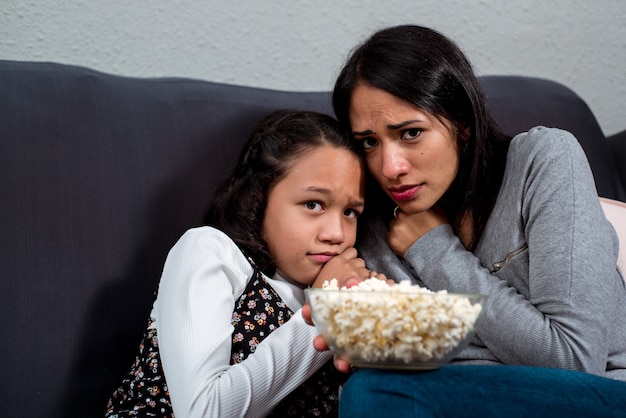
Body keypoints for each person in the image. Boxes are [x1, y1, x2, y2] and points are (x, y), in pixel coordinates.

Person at [304, 24, 626, 416]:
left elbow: (573, 360)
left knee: (377, 392)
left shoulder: (542, 161)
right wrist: (338, 301)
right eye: (369, 142)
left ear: (463, 124)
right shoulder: (371, 230)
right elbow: (433, 376)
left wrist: (435, 249)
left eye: (410, 133)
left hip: (602, 396)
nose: (390, 167)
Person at [105, 109, 379, 417]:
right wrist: (325, 311)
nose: (337, 234)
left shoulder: (345, 289)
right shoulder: (209, 251)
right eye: (313, 204)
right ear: (255, 198)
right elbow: (204, 412)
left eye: (350, 212)